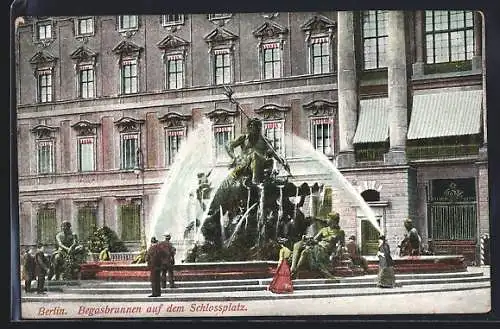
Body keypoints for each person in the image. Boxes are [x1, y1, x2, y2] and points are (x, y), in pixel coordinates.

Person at [290, 212, 344, 279]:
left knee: (305, 252)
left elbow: (341, 244)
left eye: (328, 218)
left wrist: (337, 251)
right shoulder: (324, 230)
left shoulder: (340, 232)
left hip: (325, 250)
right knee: (298, 245)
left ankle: (295, 271)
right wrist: (307, 238)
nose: (327, 219)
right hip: (317, 246)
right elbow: (315, 239)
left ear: (334, 220)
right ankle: (293, 268)